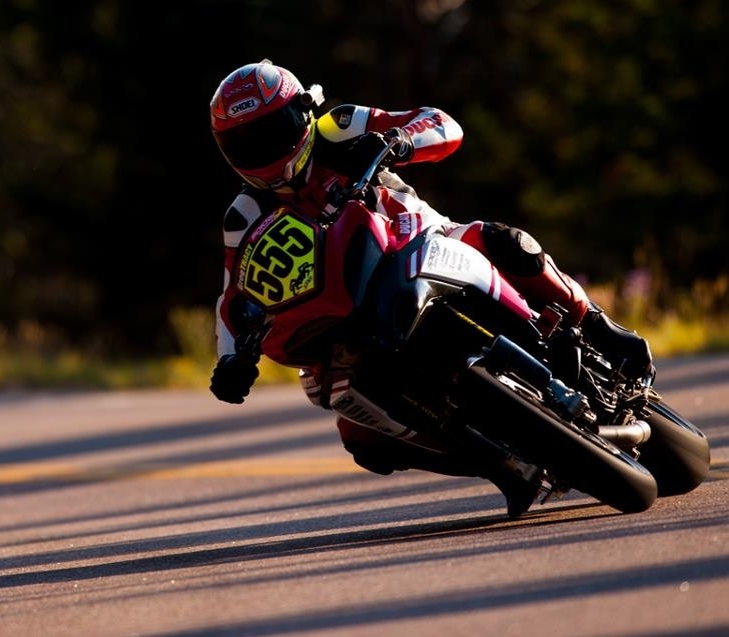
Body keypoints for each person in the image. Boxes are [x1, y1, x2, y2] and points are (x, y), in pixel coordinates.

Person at [207, 59, 654, 517]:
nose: (265, 151)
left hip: (416, 236)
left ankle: (597, 326)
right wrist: (231, 359)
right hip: (342, 308)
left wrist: (402, 140)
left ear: (303, 112)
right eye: (246, 143)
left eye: (273, 132)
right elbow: (232, 299)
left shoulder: (339, 126)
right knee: (359, 437)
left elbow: (441, 122)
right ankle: (497, 462)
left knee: (505, 242)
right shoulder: (243, 216)